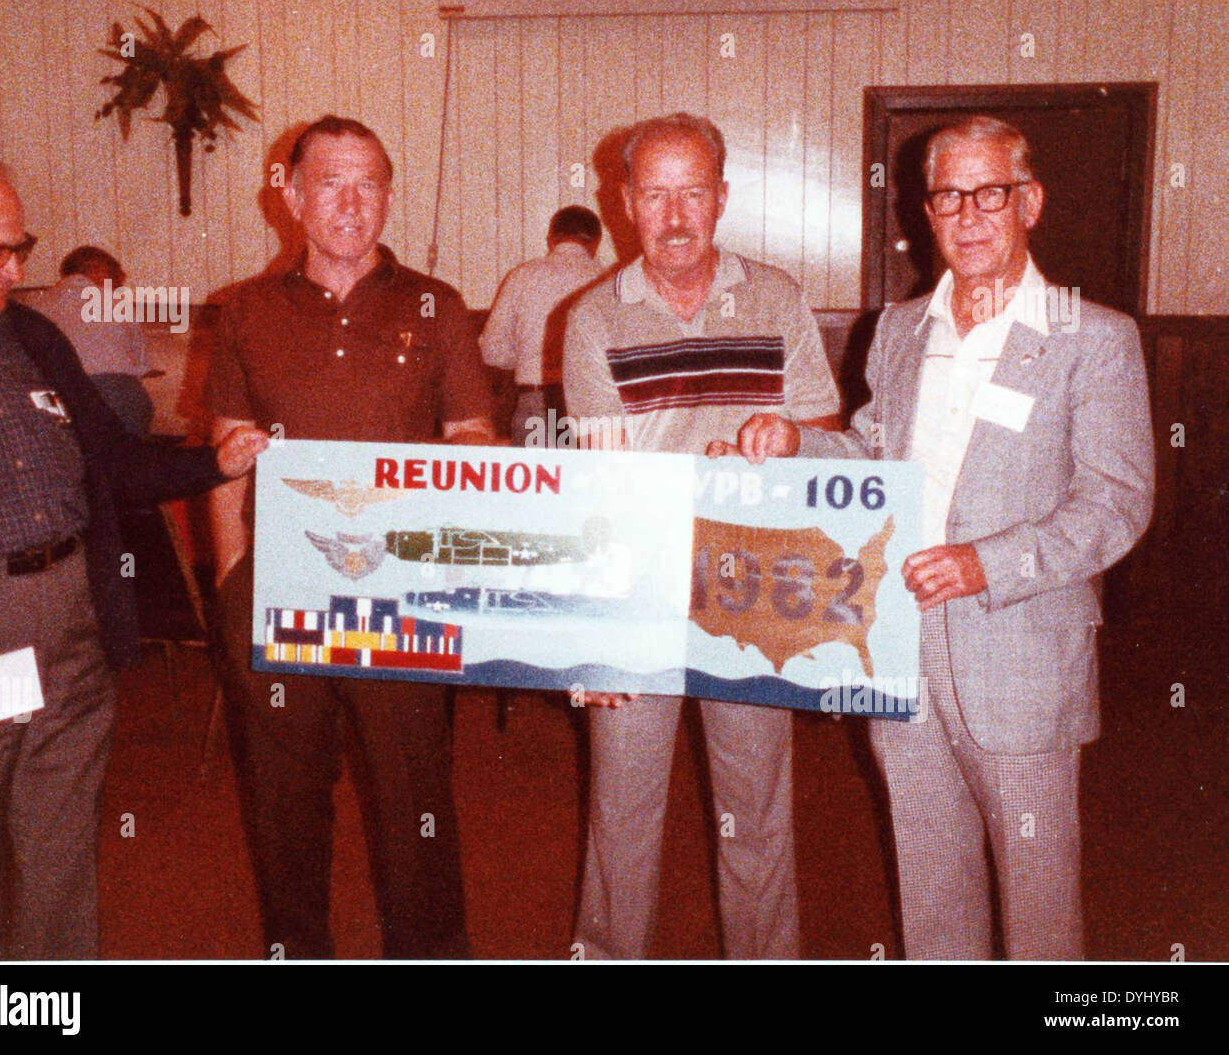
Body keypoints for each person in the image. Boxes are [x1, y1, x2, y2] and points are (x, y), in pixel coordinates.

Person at [722, 115, 1155, 959]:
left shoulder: (1093, 339)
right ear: (926, 212)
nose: (968, 215)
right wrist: (797, 443)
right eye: (948, 196)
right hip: (900, 653)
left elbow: (1117, 501)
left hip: (1023, 662)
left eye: (990, 192)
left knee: (1039, 913)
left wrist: (985, 564)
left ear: (1029, 202)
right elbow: (874, 454)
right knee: (930, 893)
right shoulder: (900, 330)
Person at [0, 154, 267, 960]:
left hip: (71, 614)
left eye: (22, 246)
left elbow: (113, 462)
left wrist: (212, 465)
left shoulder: (33, 337)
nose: (16, 269)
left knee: (59, 847)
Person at [205, 115, 495, 959]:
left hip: (402, 594)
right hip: (281, 597)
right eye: (329, 181)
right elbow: (225, 456)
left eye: (369, 182)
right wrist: (233, 585)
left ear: (388, 197)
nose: (350, 201)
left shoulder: (436, 305)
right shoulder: (246, 311)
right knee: (286, 802)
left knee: (417, 800)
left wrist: (445, 467)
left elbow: (475, 434)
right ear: (289, 194)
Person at [562, 112, 841, 959]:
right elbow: (594, 488)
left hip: (753, 591)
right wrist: (593, 638)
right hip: (638, 593)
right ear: (624, 204)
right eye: (655, 194)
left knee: (756, 814)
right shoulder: (590, 319)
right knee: (621, 815)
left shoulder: (778, 298)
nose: (675, 215)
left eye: (693, 192)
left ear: (722, 197)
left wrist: (781, 446)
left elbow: (825, 433)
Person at [479, 205, 605, 446]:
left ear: (552, 239)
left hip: (537, 401)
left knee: (538, 481)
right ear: (596, 242)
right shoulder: (606, 280)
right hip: (590, 407)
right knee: (581, 482)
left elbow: (491, 351)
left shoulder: (522, 276)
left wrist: (528, 358)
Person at [24, 246, 157, 436]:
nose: (121, 283)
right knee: (126, 461)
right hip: (118, 396)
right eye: (116, 276)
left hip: (57, 399)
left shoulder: (35, 303)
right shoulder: (116, 303)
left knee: (65, 460)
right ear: (98, 271)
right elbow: (142, 364)